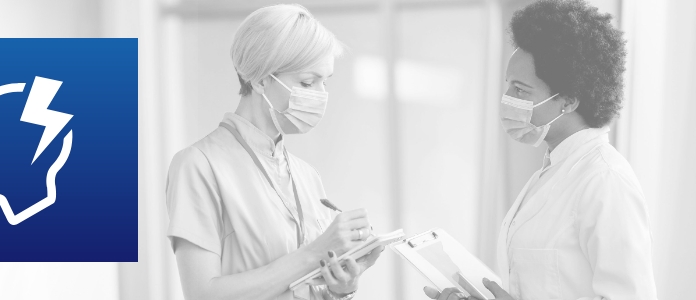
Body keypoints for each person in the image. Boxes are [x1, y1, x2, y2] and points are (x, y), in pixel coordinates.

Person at [425, 1, 657, 299]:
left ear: (569, 100)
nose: (507, 98)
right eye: (508, 86)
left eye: (520, 90)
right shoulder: (552, 172)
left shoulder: (605, 181)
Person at [165, 4, 382, 300]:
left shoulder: (307, 176)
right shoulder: (199, 166)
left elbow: (305, 288)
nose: (319, 95)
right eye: (307, 82)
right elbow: (202, 293)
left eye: (324, 82)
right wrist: (312, 253)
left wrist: (340, 288)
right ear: (260, 78)